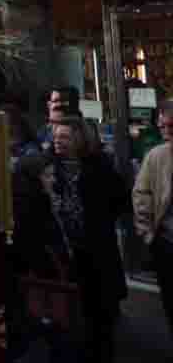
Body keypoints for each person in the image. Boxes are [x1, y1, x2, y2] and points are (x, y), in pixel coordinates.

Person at [51, 117, 129, 363]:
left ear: (79, 139)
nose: (57, 141)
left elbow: (120, 201)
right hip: (66, 250)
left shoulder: (99, 167)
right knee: (71, 316)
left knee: (99, 318)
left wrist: (98, 222)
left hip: (96, 250)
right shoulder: (50, 166)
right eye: (56, 136)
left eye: (64, 137)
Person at [8, 154, 73, 362]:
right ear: (34, 179)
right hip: (42, 280)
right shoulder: (31, 207)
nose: (52, 180)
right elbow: (36, 249)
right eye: (48, 175)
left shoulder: (38, 200)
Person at [132, 101, 173, 334]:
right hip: (166, 243)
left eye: (170, 127)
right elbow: (141, 194)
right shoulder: (157, 156)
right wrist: (148, 234)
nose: (165, 131)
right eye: (163, 127)